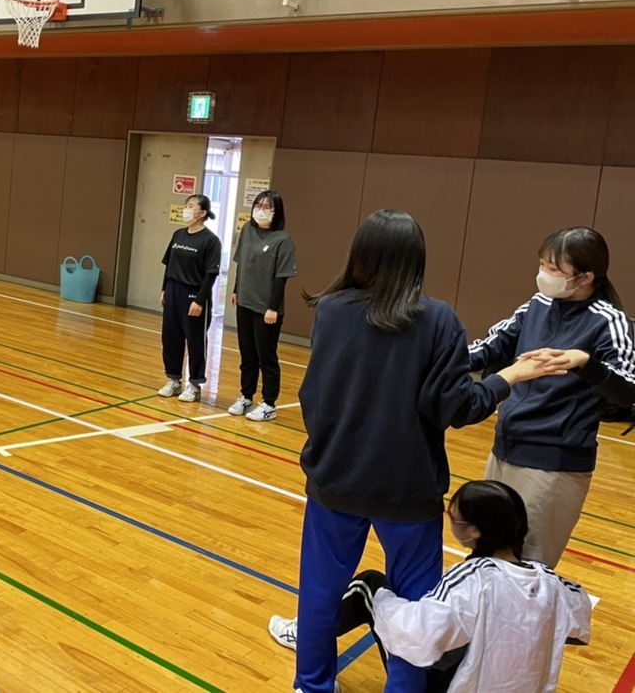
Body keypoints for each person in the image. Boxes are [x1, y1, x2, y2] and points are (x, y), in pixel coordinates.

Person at [293, 209, 557, 693]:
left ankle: (311, 685)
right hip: (407, 488)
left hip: (335, 478)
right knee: (417, 607)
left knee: (319, 593)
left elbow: (316, 394)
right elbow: (457, 407)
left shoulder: (331, 309)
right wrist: (511, 376)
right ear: (417, 260)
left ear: (360, 254)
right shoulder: (438, 320)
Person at [269, 480, 593, 693]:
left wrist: (385, 599)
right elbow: (578, 627)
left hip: (462, 684)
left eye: (454, 517)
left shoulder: (472, 580)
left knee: (369, 585)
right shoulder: (553, 582)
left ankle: (309, 637)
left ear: (474, 531)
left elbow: (417, 636)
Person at [469, 226, 635, 568]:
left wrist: (585, 362)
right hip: (504, 448)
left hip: (553, 463)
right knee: (486, 552)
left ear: (586, 277)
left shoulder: (609, 321)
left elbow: (627, 392)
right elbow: (489, 347)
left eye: (555, 269)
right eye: (543, 264)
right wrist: (434, 356)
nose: (544, 273)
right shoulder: (537, 304)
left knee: (529, 563)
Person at [228, 189, 297, 421]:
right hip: (245, 302)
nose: (261, 210)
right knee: (247, 355)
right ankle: (246, 396)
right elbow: (242, 263)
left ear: (276, 212)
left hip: (266, 309)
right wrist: (236, 290)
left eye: (267, 207)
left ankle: (269, 403)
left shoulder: (283, 241)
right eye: (258, 205)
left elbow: (281, 278)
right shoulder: (247, 231)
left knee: (266, 357)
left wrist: (272, 308)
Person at [157, 194, 222, 403]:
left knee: (195, 341)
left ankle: (194, 384)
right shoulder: (178, 235)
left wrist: (200, 300)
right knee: (171, 337)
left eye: (191, 206)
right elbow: (169, 265)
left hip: (194, 293)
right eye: (186, 205)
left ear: (202, 213)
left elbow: (211, 274)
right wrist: (164, 289)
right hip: (173, 290)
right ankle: (174, 380)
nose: (186, 209)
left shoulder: (211, 241)